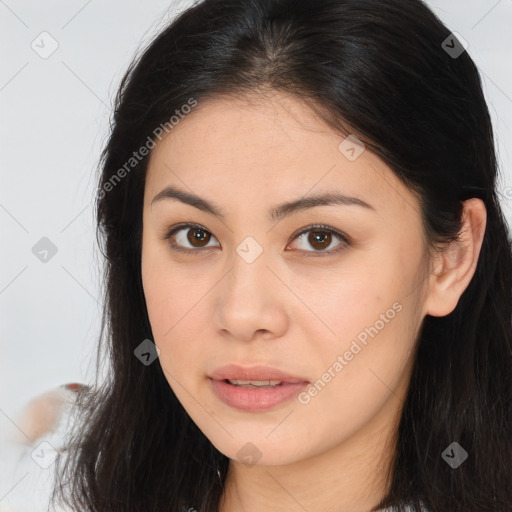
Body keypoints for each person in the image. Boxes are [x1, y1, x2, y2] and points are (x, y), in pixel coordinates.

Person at [12, 0, 511, 511]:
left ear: (451, 257)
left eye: (320, 238)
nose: (242, 314)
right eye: (194, 236)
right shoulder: (33, 476)